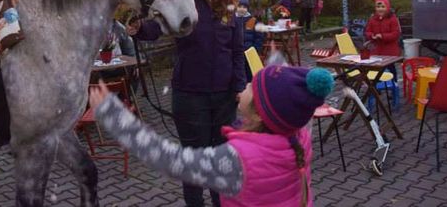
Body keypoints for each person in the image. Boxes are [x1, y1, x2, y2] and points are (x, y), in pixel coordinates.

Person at [89, 65, 335, 207]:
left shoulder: (237, 160)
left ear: (260, 115)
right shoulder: (298, 136)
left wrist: (116, 118)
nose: (245, 86)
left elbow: (170, 159)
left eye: (252, 87)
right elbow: (288, 106)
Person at [130, 0, 246, 207]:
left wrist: (240, 86)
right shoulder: (183, 4)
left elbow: (237, 51)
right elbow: (157, 28)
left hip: (225, 97)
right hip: (190, 96)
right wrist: (140, 28)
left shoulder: (229, 10)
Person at [364, 0, 401, 79]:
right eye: (378, 7)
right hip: (376, 49)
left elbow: (395, 34)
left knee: (391, 68)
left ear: (387, 8)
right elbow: (367, 31)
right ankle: (376, 86)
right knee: (376, 69)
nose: (380, 9)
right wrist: (371, 36)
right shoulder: (372, 19)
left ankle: (394, 83)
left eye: (383, 7)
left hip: (389, 50)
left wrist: (383, 36)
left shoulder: (392, 19)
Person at [234, 0, 264, 81]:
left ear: (247, 8)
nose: (242, 9)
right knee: (238, 72)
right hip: (236, 51)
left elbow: (258, 36)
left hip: (249, 52)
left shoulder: (251, 20)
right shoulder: (233, 19)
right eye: (240, 7)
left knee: (249, 73)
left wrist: (255, 48)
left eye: (244, 7)